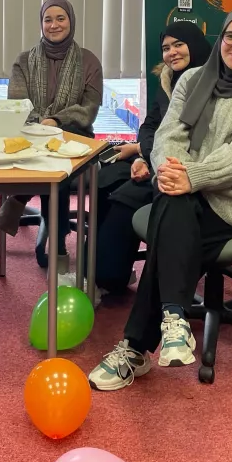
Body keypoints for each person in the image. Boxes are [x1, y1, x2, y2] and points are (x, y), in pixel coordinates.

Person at [88, 8, 232, 391]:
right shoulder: (194, 79)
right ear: (221, 39)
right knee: (172, 205)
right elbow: (169, 134)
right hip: (183, 188)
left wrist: (191, 176)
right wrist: (169, 171)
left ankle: (136, 346)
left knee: (168, 228)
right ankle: (173, 321)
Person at [93, 21, 213, 295]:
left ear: (194, 44)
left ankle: (107, 278)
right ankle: (107, 271)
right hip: (154, 156)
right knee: (104, 180)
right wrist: (143, 155)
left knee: (125, 197)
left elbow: (194, 140)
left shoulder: (210, 83)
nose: (172, 53)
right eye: (166, 48)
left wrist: (148, 159)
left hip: (185, 169)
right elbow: (150, 126)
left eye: (179, 45)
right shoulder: (168, 79)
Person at [0, 0, 103, 273]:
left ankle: (20, 201)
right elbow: (18, 105)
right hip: (31, 133)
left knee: (60, 163)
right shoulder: (24, 61)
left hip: (74, 136)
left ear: (71, 21)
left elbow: (88, 110)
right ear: (41, 24)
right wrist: (42, 125)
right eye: (48, 19)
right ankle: (57, 247)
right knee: (51, 160)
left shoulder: (89, 61)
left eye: (60, 19)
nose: (54, 25)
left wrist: (56, 119)